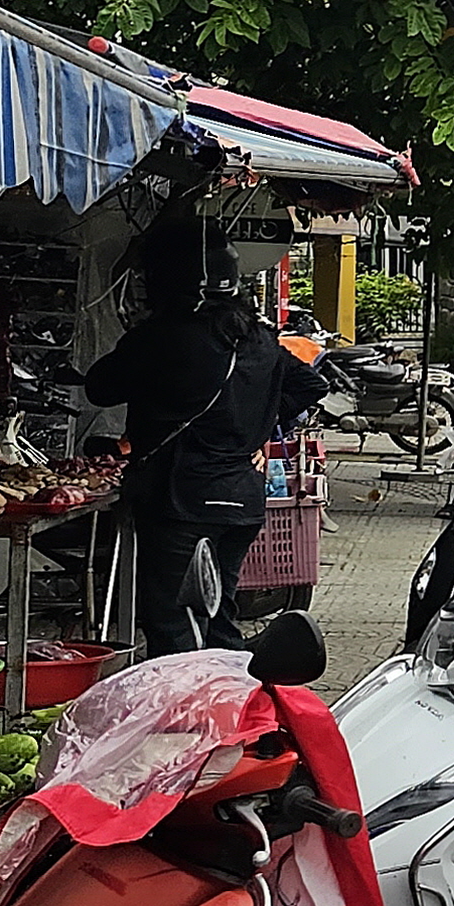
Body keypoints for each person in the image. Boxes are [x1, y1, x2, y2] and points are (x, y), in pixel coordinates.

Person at [85, 228, 328, 657]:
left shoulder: (165, 336)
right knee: (218, 615)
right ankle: (233, 703)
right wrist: (261, 430)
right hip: (242, 502)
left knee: (171, 620)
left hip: (181, 499)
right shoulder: (257, 337)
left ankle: (188, 714)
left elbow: (99, 387)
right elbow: (311, 384)